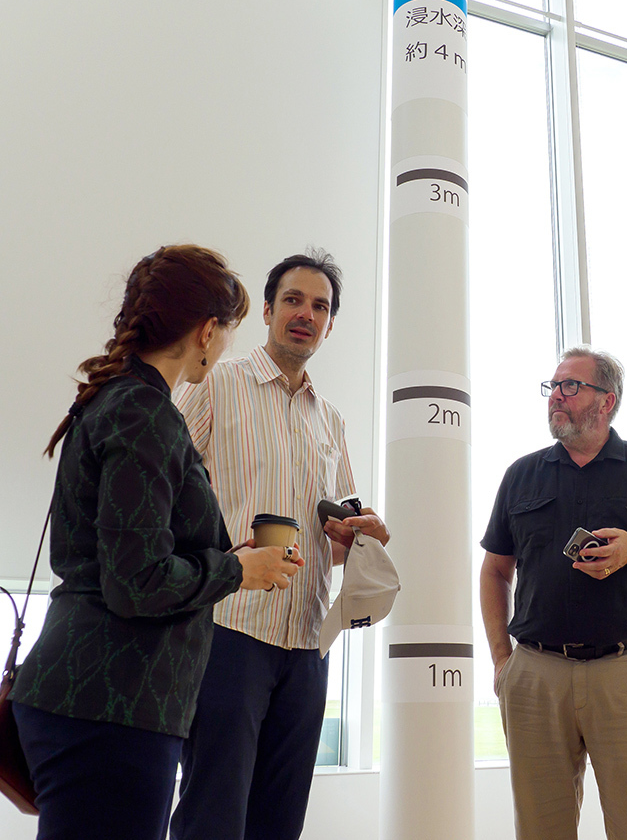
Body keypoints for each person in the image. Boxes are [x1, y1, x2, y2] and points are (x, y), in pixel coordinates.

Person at [10, 245, 301, 840]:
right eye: (228, 332)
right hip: (110, 706)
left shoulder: (116, 400)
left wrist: (228, 562)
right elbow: (136, 583)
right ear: (206, 330)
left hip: (92, 700)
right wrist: (235, 572)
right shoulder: (145, 412)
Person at [170, 249, 390, 840]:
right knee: (212, 812)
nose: (306, 314)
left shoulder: (332, 421)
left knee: (281, 820)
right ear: (267, 310)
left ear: (330, 324)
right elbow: (163, 485)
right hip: (229, 630)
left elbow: (333, 539)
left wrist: (356, 535)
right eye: (293, 300)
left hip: (308, 641)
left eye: (320, 306)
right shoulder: (216, 383)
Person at [480, 346, 627, 840]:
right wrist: (503, 661)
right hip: (535, 677)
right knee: (539, 829)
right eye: (552, 387)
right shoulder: (521, 475)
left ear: (606, 400)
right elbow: (494, 572)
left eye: (570, 386)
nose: (556, 397)